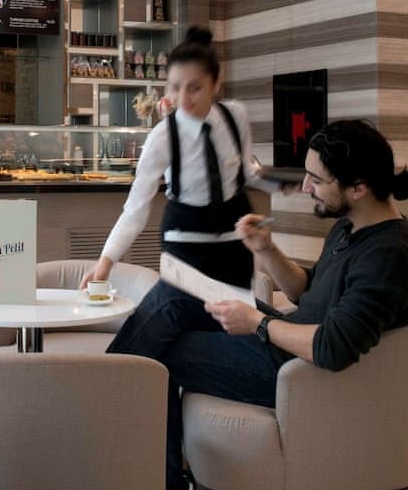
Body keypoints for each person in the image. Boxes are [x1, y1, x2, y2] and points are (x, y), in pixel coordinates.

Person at [107, 118, 408, 490]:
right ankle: (111, 392)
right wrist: (267, 249)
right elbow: (308, 293)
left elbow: (333, 346)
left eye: (317, 179)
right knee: (180, 290)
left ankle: (137, 455)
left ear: (358, 187)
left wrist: (258, 323)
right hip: (289, 346)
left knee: (163, 352)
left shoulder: (388, 255)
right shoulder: (353, 226)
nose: (306, 187)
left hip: (299, 373)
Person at [81, 26, 282, 294]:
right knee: (173, 314)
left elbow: (244, 172)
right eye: (175, 87)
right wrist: (105, 262)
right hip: (183, 246)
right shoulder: (162, 137)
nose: (183, 98)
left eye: (195, 88)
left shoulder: (235, 116)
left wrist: (288, 182)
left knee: (235, 316)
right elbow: (135, 209)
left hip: (234, 243)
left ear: (216, 83)